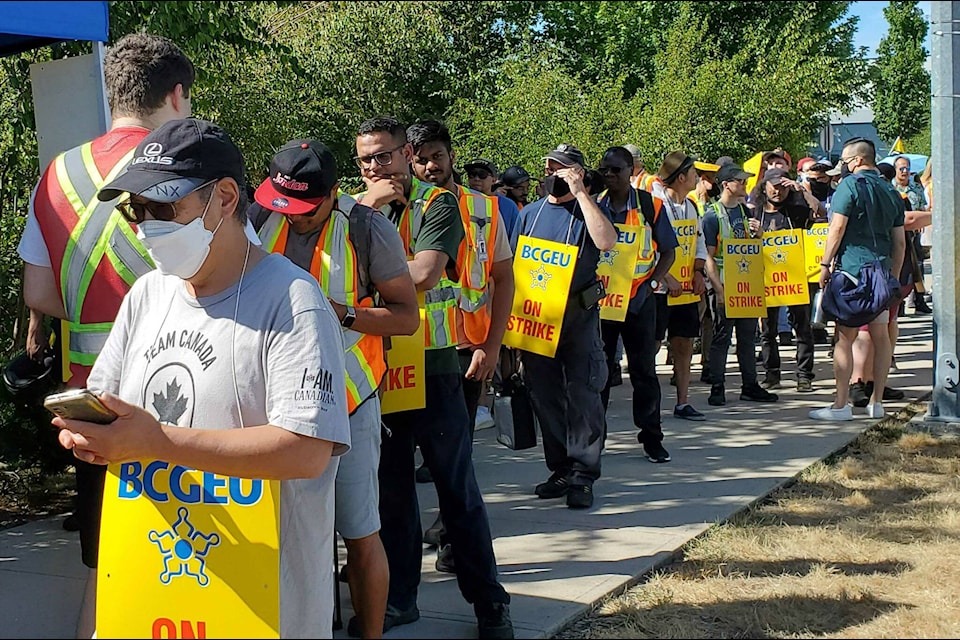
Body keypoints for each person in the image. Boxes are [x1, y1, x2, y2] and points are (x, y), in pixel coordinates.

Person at [53, 118, 351, 638]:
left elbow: (306, 451)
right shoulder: (147, 295)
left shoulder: (292, 300)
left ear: (226, 198)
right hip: (153, 591)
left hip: (263, 606)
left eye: (164, 208)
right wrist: (92, 436)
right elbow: (114, 411)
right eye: (136, 210)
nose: (147, 226)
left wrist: (157, 441)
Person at [16, 33, 195, 638]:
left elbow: (39, 295)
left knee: (105, 556)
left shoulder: (57, 174)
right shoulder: (190, 161)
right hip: (187, 392)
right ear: (176, 94)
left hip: (90, 399)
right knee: (194, 560)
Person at [248, 139, 419, 639]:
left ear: (333, 193)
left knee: (360, 534)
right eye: (284, 205)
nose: (293, 217)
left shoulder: (367, 229)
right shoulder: (261, 218)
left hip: (348, 402)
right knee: (286, 536)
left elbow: (406, 318)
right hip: (276, 406)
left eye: (306, 208)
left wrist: (338, 312)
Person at [353, 116, 513, 638]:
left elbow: (423, 274)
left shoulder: (438, 203)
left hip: (438, 365)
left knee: (456, 488)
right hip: (380, 367)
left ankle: (488, 600)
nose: (377, 166)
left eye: (385, 155)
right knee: (390, 491)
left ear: (405, 153)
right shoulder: (357, 208)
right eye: (366, 159)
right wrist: (370, 208)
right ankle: (399, 598)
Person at [406, 120, 515, 574]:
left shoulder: (485, 209)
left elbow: (504, 278)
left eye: (437, 155)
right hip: (408, 352)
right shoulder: (400, 207)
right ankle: (401, 551)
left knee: (457, 457)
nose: (431, 165)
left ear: (452, 155)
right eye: (421, 158)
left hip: (466, 349)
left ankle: (454, 542)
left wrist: (491, 346)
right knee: (395, 466)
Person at [511, 143, 617, 508]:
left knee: (583, 397)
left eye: (563, 168)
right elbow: (513, 269)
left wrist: (581, 194)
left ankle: (583, 475)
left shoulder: (590, 210)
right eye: (549, 167)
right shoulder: (531, 214)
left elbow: (606, 241)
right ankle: (560, 470)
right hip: (537, 319)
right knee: (544, 396)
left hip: (579, 318)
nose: (553, 173)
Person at [809, 137, 906, 421]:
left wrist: (825, 264)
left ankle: (841, 405)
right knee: (881, 335)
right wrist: (893, 279)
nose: (846, 167)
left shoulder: (848, 186)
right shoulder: (890, 192)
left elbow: (837, 227)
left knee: (844, 337)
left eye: (847, 162)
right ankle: (877, 403)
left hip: (852, 271)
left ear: (858, 160)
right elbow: (899, 243)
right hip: (882, 273)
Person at [596, 147, 678, 461]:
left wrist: (653, 283)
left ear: (631, 170)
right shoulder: (595, 205)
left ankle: (652, 438)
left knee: (644, 372)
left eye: (616, 169)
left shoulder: (649, 205)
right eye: (605, 169)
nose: (610, 175)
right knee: (599, 373)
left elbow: (668, 251)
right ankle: (594, 439)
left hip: (638, 301)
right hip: (601, 303)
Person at [702, 163, 779, 406]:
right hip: (725, 283)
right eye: (740, 181)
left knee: (747, 337)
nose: (745, 185)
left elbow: (752, 251)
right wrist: (718, 289)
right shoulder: (712, 214)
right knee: (722, 337)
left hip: (745, 284)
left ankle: (750, 385)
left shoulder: (746, 212)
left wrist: (759, 236)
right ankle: (717, 386)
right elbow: (709, 256)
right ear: (726, 184)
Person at [750, 167, 821, 392]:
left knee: (802, 327)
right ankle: (772, 375)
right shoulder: (756, 212)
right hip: (766, 279)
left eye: (782, 188)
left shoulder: (797, 210)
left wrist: (802, 190)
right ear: (765, 187)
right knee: (767, 330)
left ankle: (804, 376)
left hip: (795, 276)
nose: (778, 192)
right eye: (774, 187)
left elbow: (818, 211)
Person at [650, 152, 708, 420]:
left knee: (684, 343)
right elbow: (646, 246)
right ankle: (649, 403)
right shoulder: (655, 205)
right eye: (694, 173)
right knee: (651, 345)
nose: (698, 177)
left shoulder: (692, 206)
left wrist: (698, 272)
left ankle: (683, 402)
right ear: (681, 176)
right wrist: (664, 277)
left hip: (685, 289)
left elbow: (698, 241)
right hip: (660, 290)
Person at [464, 158, 520, 239]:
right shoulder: (461, 201)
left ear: (494, 179)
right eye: (472, 174)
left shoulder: (508, 206)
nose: (476, 178)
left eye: (482, 174)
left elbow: (515, 239)